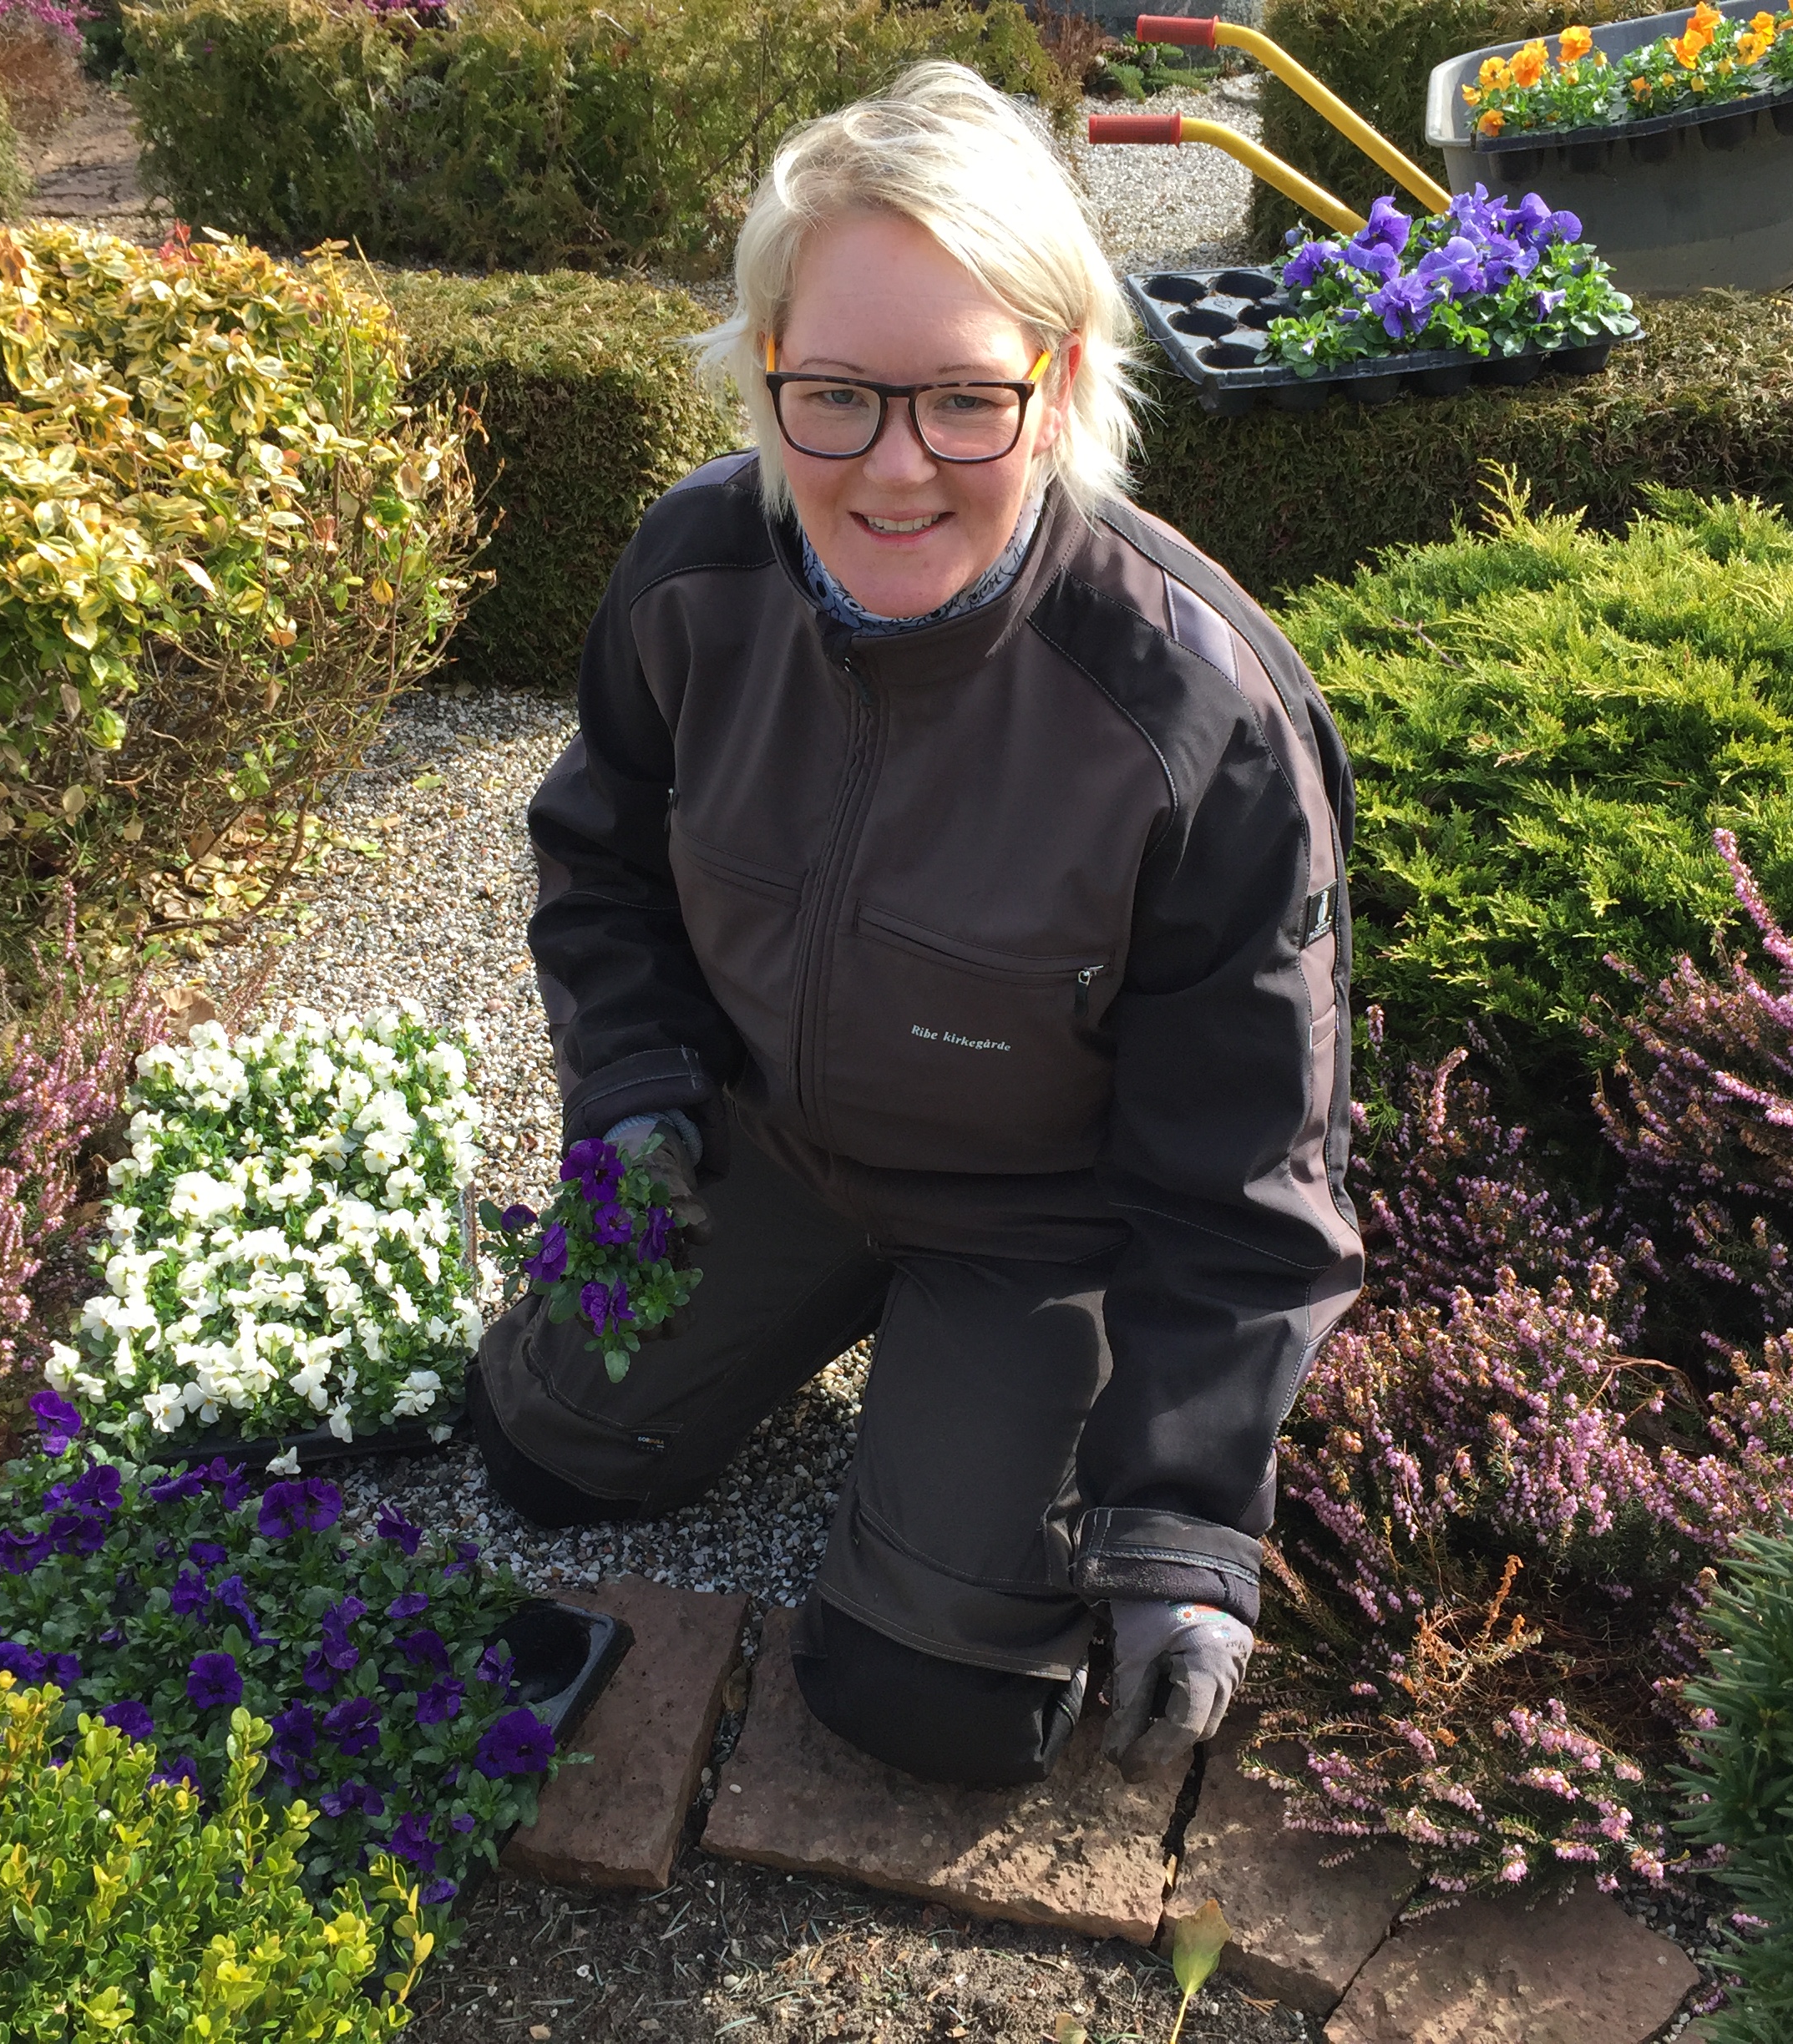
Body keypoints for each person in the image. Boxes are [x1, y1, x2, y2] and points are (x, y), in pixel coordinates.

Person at [471, 61, 1362, 1788]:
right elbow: (600, 865)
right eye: (836, 397)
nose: (894, 470)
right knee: (541, 1452)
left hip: (1043, 1227)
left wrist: (1188, 1525)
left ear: (1063, 382)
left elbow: (1251, 1153)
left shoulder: (1197, 717)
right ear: (764, 376)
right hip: (772, 1149)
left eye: (964, 400)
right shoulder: (688, 580)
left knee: (928, 1704)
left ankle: (971, 1404)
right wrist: (641, 1094)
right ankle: (815, 1314)